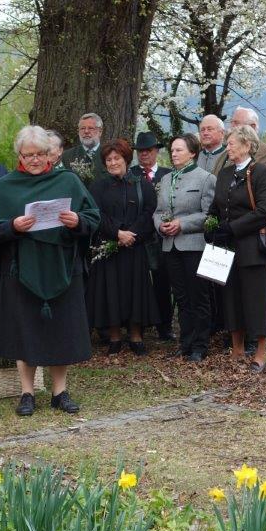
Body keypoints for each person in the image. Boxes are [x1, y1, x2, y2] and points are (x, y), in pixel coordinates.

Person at [0, 125, 100, 417]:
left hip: (62, 268)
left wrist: (77, 221)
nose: (34, 160)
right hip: (20, 271)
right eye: (28, 155)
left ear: (50, 154)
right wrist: (13, 226)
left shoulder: (68, 181)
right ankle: (27, 393)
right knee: (26, 330)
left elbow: (93, 217)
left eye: (39, 154)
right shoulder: (6, 186)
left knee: (61, 328)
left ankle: (60, 392)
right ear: (20, 156)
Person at [206, 125, 266, 372]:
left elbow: (263, 212)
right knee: (232, 299)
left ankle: (260, 354)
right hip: (227, 248)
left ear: (247, 145)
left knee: (255, 300)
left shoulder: (262, 173)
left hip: (252, 248)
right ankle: (237, 349)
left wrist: (232, 228)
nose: (228, 148)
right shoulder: (225, 174)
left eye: (232, 144)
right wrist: (210, 225)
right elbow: (216, 207)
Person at [88, 138, 160, 355]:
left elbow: (149, 212)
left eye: (116, 158)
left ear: (126, 159)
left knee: (134, 290)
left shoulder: (142, 184)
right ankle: (115, 337)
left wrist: (131, 235)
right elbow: (97, 215)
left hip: (134, 247)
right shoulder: (98, 187)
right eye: (108, 160)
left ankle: (136, 336)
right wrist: (118, 233)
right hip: (109, 246)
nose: (112, 163)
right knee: (111, 290)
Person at [153, 133, 216, 362]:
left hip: (194, 246)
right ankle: (186, 343)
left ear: (192, 153)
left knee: (198, 296)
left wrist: (182, 224)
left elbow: (209, 215)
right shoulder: (166, 179)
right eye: (172, 150)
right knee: (181, 297)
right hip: (170, 246)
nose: (174, 153)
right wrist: (161, 226)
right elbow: (158, 211)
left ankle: (200, 345)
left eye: (179, 150)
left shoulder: (206, 178)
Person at [129, 131, 175, 341]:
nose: (144, 154)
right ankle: (138, 325)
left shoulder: (168, 174)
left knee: (163, 283)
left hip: (163, 237)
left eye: (148, 150)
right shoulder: (130, 175)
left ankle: (165, 327)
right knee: (138, 283)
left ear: (156, 151)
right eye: (140, 151)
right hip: (138, 237)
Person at [61, 112, 107, 186]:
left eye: (91, 128)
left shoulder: (109, 154)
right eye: (82, 128)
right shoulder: (66, 156)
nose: (86, 131)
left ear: (100, 132)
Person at [230, 106, 266, 172]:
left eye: (236, 123)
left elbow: (264, 176)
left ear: (252, 127)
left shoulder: (264, 152)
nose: (232, 126)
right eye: (232, 122)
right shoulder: (228, 148)